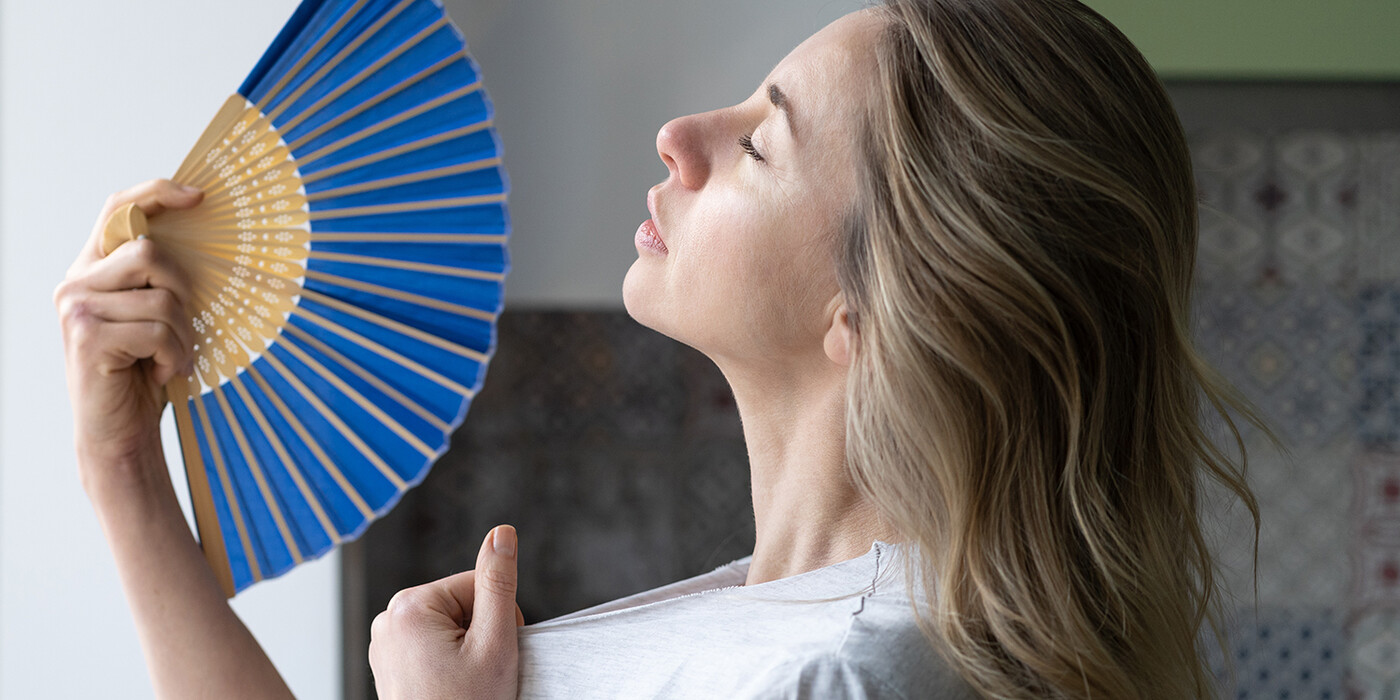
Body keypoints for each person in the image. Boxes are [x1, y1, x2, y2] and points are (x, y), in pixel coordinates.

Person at [55, 0, 1264, 697]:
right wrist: (124, 469)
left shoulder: (854, 676)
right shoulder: (784, 615)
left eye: (757, 146)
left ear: (874, 311)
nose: (681, 133)